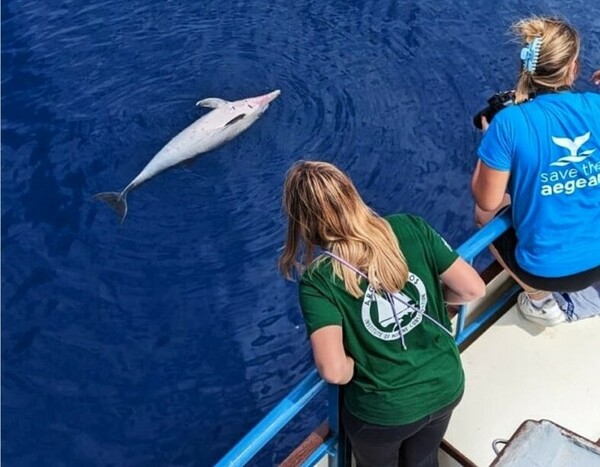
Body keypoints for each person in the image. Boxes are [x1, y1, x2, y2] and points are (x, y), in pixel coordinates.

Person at [279, 161, 485, 467]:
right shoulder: (410, 227)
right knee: (424, 459)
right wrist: (428, 303)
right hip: (445, 385)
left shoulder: (319, 280)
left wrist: (354, 364)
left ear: (302, 222)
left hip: (383, 413)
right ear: (351, 194)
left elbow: (334, 370)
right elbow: (472, 290)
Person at [471, 16, 600, 326]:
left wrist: (489, 143)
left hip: (545, 271)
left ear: (524, 68)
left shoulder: (508, 124)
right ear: (574, 68)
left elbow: (487, 200)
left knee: (484, 215)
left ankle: (542, 303)